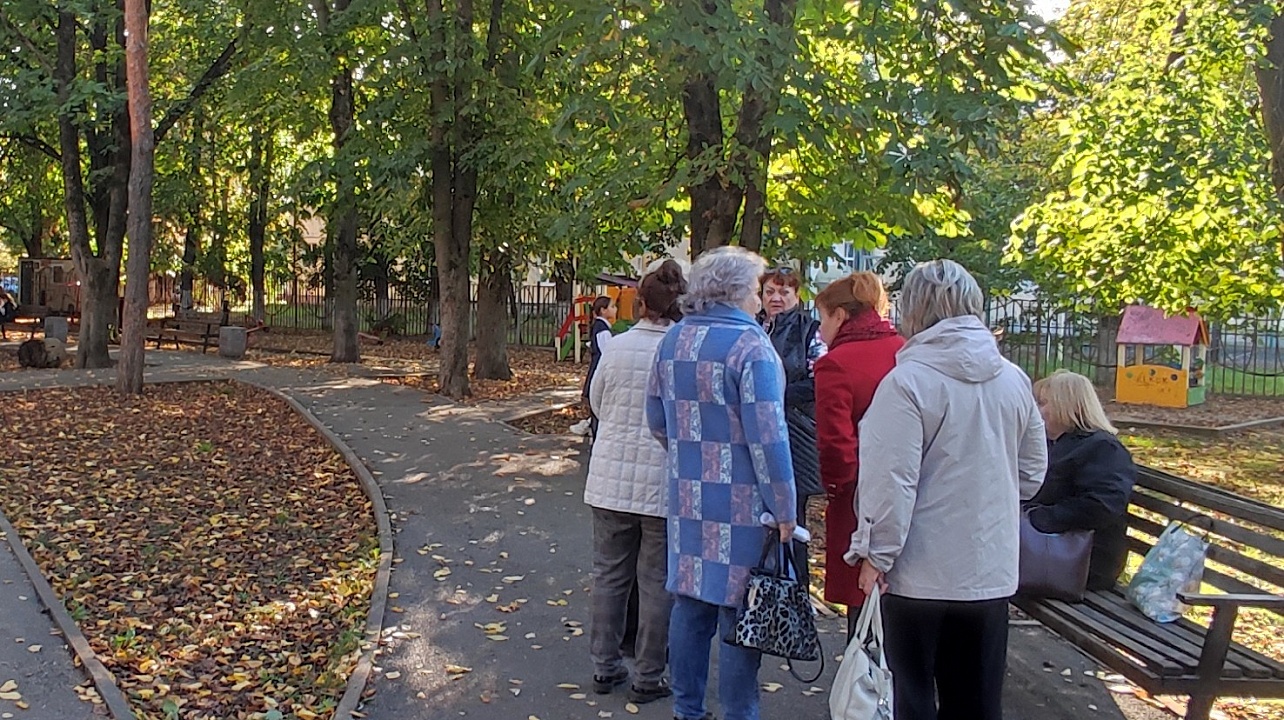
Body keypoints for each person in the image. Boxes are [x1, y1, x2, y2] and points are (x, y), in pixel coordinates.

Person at [848, 259, 1047, 720]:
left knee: (908, 695)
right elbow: (1033, 472)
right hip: (989, 570)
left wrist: (875, 554)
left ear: (912, 310)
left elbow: (889, 482)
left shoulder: (907, 383)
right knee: (977, 700)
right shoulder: (1014, 380)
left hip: (918, 572)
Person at [647, 246, 797, 720]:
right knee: (739, 615)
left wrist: (691, 458)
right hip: (745, 506)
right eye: (756, 289)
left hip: (689, 499)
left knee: (689, 608)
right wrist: (786, 510)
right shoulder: (752, 348)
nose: (760, 299)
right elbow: (769, 440)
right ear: (735, 291)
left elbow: (655, 419)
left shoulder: (673, 341)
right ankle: (738, 714)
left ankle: (687, 710)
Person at [584, 259, 688, 704]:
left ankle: (604, 666)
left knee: (609, 574)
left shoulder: (618, 348)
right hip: (663, 485)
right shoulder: (682, 351)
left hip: (610, 480)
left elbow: (597, 403)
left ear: (640, 304)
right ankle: (649, 673)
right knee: (656, 581)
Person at [812, 272, 903, 640]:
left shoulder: (836, 364)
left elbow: (836, 443)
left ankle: (863, 689)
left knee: (862, 603)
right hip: (908, 491)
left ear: (840, 316)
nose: (820, 332)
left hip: (860, 498)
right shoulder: (904, 348)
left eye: (822, 320)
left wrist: (838, 489)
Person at [1027, 369, 1138, 591]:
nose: (1037, 412)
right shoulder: (1056, 444)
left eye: (1043, 403)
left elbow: (1103, 504)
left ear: (1066, 405)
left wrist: (1040, 518)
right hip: (1048, 551)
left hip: (1084, 564)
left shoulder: (1103, 448)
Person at [759, 267, 825, 583]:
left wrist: (773, 392)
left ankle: (796, 589)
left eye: (784, 292)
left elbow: (819, 381)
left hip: (795, 434)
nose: (776, 298)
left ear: (796, 296)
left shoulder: (810, 331)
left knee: (792, 517)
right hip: (755, 433)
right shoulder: (754, 327)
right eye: (770, 291)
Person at [583, 296, 617, 438]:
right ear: (603, 310)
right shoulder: (602, 330)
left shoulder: (599, 327)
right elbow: (607, 353)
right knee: (599, 406)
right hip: (599, 371)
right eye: (612, 306)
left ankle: (592, 429)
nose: (615, 309)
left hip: (595, 370)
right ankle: (596, 434)